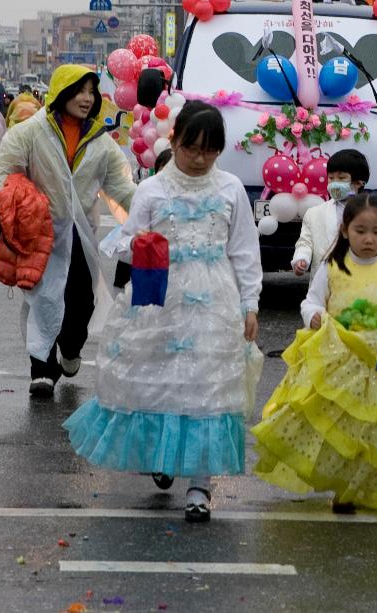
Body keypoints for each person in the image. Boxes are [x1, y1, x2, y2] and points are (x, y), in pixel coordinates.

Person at [63, 103, 262, 523]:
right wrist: (132, 245)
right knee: (161, 379)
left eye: (210, 151)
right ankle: (163, 454)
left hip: (214, 298)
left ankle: (201, 484)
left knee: (206, 387)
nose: (200, 158)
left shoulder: (230, 190)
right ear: (174, 141)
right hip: (159, 297)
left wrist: (250, 303)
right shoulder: (152, 190)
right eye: (192, 148)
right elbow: (129, 236)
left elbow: (244, 251)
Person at [253, 193, 377, 513]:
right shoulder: (333, 265)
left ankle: (371, 485)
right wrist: (312, 315)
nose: (369, 239)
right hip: (339, 354)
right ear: (344, 231)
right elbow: (312, 301)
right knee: (341, 427)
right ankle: (343, 488)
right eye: (360, 231)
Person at [0, 65, 137, 397]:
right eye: (80, 90)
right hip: (37, 230)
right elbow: (2, 171)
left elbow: (122, 187)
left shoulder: (99, 140)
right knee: (44, 299)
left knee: (82, 300)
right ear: (62, 91)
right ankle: (41, 370)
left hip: (79, 232)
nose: (86, 98)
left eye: (92, 92)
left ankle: (71, 348)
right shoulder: (29, 132)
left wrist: (152, 213)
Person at [291, 148, 369, 275]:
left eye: (341, 178)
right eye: (331, 178)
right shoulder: (314, 213)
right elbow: (305, 242)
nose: (334, 183)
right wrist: (301, 258)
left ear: (358, 182)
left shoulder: (372, 213)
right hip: (324, 287)